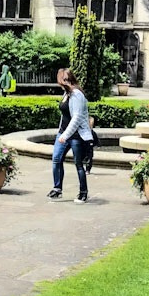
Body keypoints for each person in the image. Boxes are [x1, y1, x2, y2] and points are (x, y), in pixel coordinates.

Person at [49, 67, 95, 203]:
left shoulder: (76, 95)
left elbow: (76, 118)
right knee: (56, 159)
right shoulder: (66, 94)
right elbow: (64, 116)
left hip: (76, 136)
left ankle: (83, 192)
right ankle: (57, 188)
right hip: (63, 133)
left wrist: (65, 135)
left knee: (78, 164)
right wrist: (60, 133)